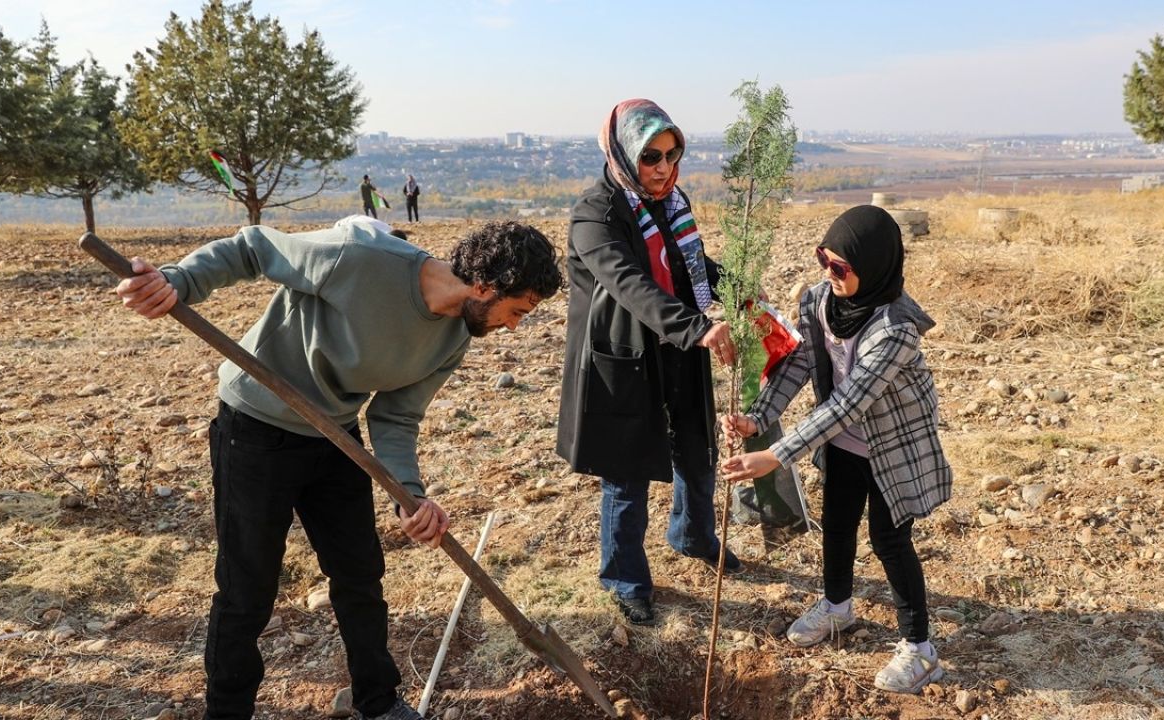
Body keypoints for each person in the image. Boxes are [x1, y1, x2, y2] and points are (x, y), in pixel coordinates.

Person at [114, 220, 563, 720]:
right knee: (248, 587)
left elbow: (395, 416)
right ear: (486, 286)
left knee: (360, 574)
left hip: (334, 434)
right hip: (256, 427)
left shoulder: (455, 337)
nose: (514, 326)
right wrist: (179, 281)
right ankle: (227, 711)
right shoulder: (360, 257)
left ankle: (377, 701)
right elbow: (254, 249)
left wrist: (408, 496)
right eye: (517, 310)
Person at [721, 205, 953, 694]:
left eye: (841, 267)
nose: (830, 273)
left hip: (890, 452)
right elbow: (798, 363)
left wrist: (777, 454)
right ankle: (837, 607)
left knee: (890, 542)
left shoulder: (894, 329)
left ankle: (921, 649)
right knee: (838, 526)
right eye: (824, 260)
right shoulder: (820, 301)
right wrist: (758, 417)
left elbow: (847, 405)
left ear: (873, 266)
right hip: (844, 447)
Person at [556, 98, 743, 628]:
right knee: (627, 473)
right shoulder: (595, 214)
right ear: (621, 153)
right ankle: (625, 579)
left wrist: (739, 289)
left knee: (697, 448)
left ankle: (693, 536)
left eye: (672, 154)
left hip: (678, 347)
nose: (664, 167)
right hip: (625, 357)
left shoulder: (671, 204)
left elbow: (690, 264)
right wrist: (699, 328)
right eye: (651, 157)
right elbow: (629, 284)